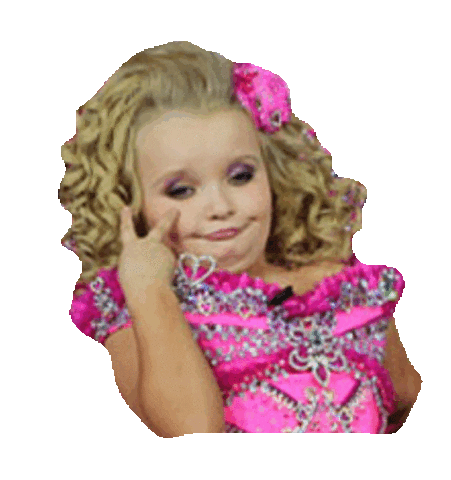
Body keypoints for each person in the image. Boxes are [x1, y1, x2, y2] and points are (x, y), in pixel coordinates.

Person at [61, 41, 421, 435]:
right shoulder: (136, 307)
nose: (220, 207)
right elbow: (192, 429)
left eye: (241, 176)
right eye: (181, 190)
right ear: (129, 203)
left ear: (274, 173)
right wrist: (149, 288)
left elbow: (406, 396)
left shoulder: (344, 286)